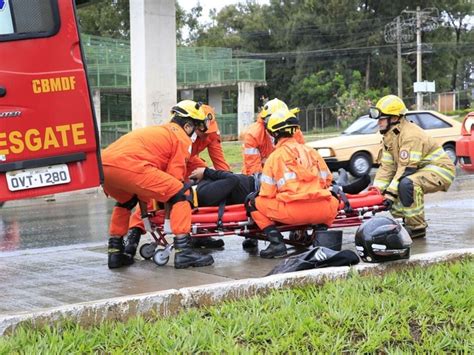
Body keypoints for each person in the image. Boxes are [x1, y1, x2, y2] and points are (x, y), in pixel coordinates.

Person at [101, 100, 214, 269]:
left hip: (104, 168)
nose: (196, 133)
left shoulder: (161, 131)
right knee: (182, 192)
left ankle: (115, 252)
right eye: (197, 127)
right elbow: (175, 179)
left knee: (126, 202)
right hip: (128, 165)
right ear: (189, 126)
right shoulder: (181, 137)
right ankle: (184, 252)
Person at [125, 104, 231, 253]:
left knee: (203, 180)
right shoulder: (183, 129)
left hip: (189, 160)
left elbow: (219, 161)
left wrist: (229, 182)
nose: (204, 134)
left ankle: (199, 233)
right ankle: (134, 231)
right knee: (155, 193)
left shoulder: (210, 133)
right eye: (201, 130)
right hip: (169, 159)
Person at [247, 109, 339, 258]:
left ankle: (277, 243)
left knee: (253, 202)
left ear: (274, 134)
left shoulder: (274, 157)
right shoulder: (312, 152)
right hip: (322, 211)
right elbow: (327, 181)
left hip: (292, 212)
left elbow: (267, 193)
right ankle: (321, 235)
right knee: (334, 198)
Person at [370, 94, 455, 238]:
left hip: (440, 170)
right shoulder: (390, 136)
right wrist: (376, 193)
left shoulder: (410, 135)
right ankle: (404, 221)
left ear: (395, 118)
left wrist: (389, 195)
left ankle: (417, 228)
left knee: (406, 184)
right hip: (419, 170)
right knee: (393, 187)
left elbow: (406, 169)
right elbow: (387, 168)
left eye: (382, 119)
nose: (379, 123)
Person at [126, 167, 261, 253]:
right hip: (257, 186)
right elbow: (232, 180)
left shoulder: (198, 192)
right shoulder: (204, 194)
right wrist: (206, 172)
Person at [242, 98, 305, 175]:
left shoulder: (295, 132)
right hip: (263, 176)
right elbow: (253, 169)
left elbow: (302, 159)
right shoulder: (253, 135)